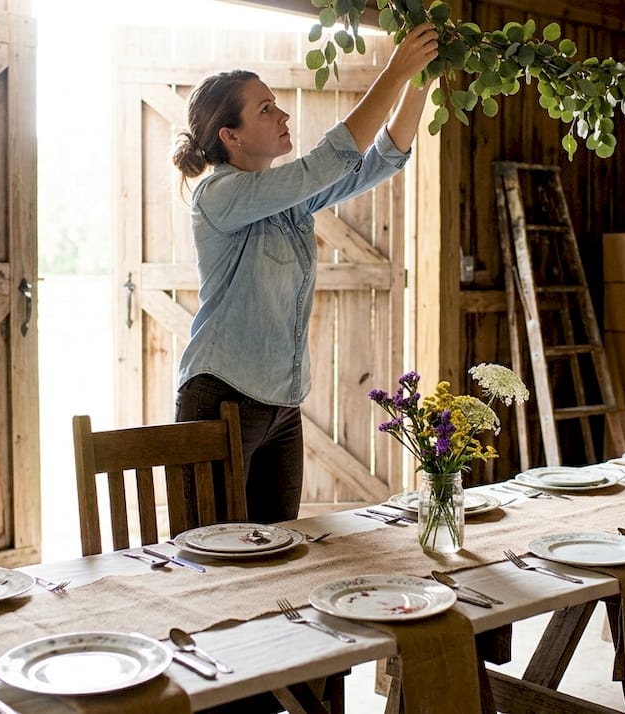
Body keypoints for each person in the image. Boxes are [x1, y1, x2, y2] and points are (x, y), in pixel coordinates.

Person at [172, 24, 440, 525]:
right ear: (229, 136)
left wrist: (419, 81)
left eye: (276, 103)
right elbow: (326, 163)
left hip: (281, 407)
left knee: (278, 559)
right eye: (265, 109)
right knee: (208, 563)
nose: (283, 113)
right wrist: (394, 69)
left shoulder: (289, 202)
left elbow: (377, 161)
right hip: (221, 398)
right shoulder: (218, 196)